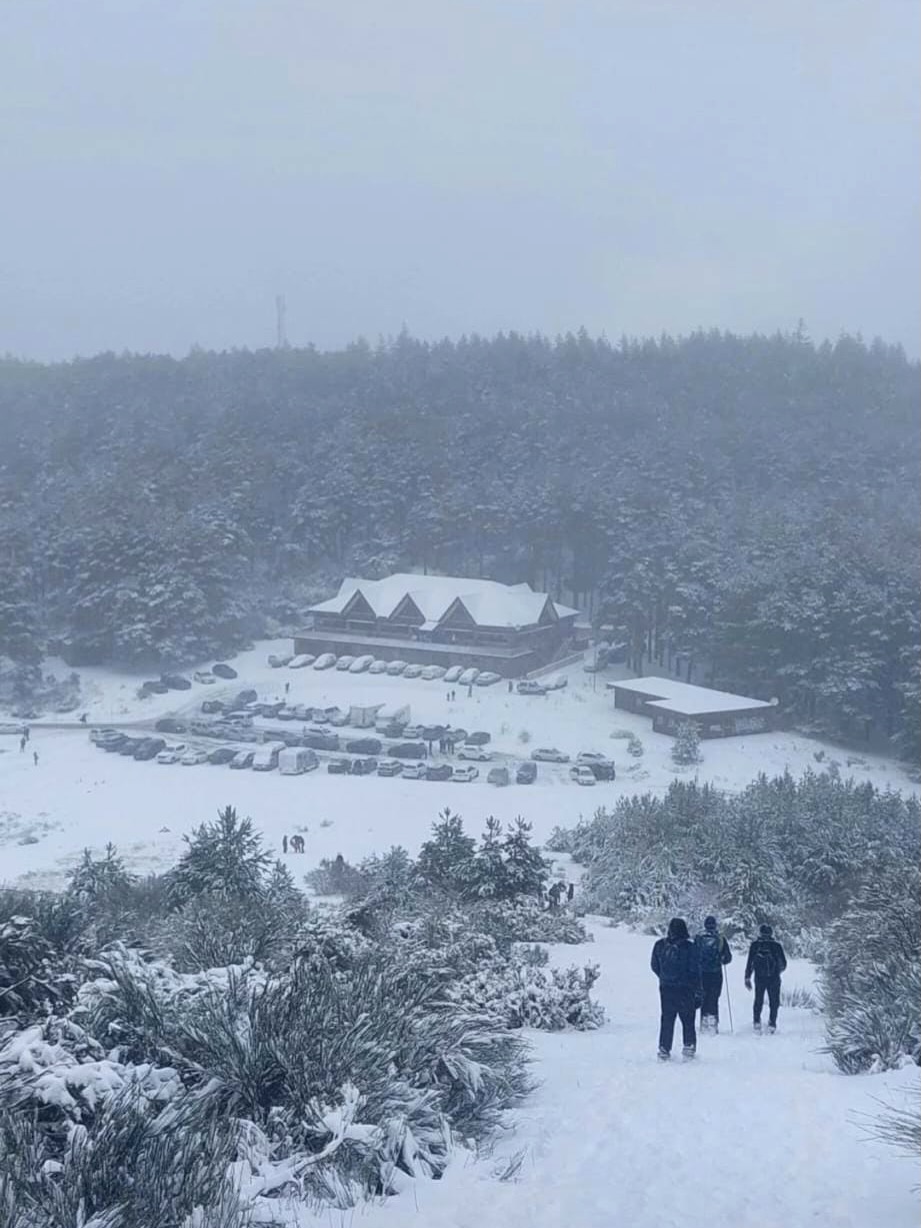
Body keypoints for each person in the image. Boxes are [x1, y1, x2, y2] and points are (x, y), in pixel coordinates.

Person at [651, 918, 701, 1060]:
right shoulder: (690, 947)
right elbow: (695, 969)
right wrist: (697, 988)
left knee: (667, 1018)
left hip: (666, 988)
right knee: (688, 1019)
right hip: (686, 988)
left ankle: (664, 1048)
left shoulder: (660, 945)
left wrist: (663, 977)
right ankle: (689, 1046)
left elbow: (654, 965)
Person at [745, 923, 788, 1034]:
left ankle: (756, 1021)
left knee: (758, 999)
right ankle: (772, 1023)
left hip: (759, 977)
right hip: (774, 978)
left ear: (760, 933)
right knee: (774, 1001)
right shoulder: (776, 946)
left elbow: (750, 963)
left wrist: (747, 977)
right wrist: (777, 971)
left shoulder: (755, 945)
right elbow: (784, 963)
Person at [695, 915, 732, 1033]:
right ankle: (713, 1022)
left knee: (703, 996)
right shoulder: (720, 938)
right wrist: (722, 960)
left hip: (702, 973)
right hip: (716, 973)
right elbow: (728, 958)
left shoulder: (699, 938)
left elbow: (693, 955)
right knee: (714, 997)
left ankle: (703, 1021)